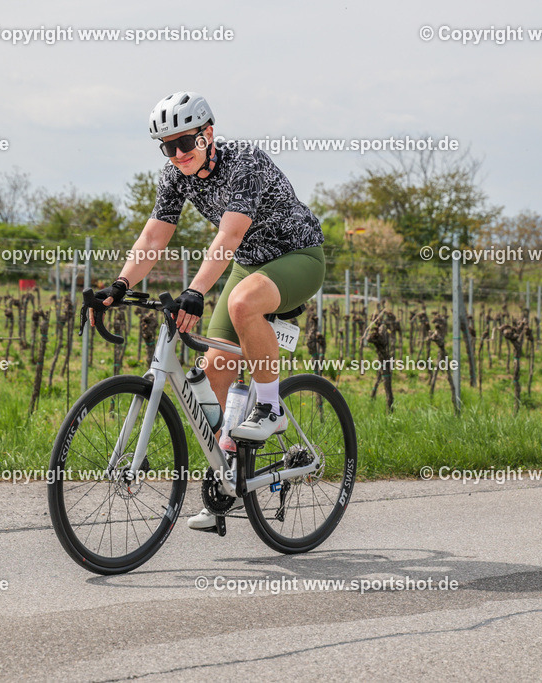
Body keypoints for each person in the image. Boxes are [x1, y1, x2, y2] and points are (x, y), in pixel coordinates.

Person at [91, 91, 325, 530]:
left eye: (186, 143)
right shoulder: (175, 176)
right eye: (168, 146)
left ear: (209, 134)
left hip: (297, 256)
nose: (178, 154)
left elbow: (229, 237)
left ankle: (271, 409)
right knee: (214, 364)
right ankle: (228, 475)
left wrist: (196, 291)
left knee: (240, 303)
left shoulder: (244, 162)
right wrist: (119, 284)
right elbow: (153, 240)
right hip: (249, 266)